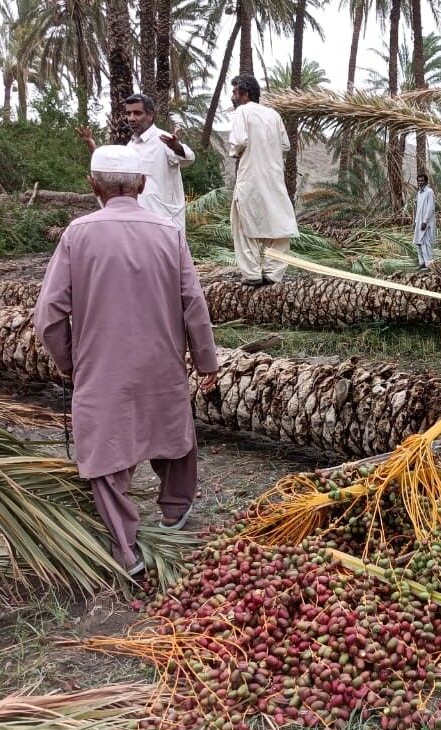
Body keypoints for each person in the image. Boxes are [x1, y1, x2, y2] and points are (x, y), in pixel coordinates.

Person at [33, 145, 219, 575]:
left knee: (107, 451)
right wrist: (205, 362)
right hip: (163, 360)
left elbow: (49, 315)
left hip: (101, 365)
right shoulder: (168, 232)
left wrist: (70, 362)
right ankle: (174, 512)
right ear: (143, 183)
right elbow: (193, 303)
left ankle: (126, 548)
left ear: (92, 184)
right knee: (174, 433)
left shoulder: (77, 234)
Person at [76, 93, 195, 230]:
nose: (132, 118)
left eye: (137, 113)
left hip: (164, 223)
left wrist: (177, 147)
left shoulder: (163, 139)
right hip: (136, 223)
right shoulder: (131, 146)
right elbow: (111, 167)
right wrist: (91, 145)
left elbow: (189, 158)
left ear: (150, 115)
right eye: (129, 114)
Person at [227, 74, 299, 286]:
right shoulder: (273, 114)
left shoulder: (242, 111)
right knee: (278, 225)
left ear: (245, 94)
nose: (232, 97)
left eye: (234, 93)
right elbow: (285, 146)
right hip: (274, 178)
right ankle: (273, 273)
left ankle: (251, 274)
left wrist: (236, 151)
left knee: (242, 225)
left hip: (250, 177)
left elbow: (239, 142)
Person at [412, 173, 436, 270]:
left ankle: (429, 264)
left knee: (426, 243)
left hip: (426, 223)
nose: (420, 182)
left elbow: (431, 208)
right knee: (418, 243)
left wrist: (425, 221)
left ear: (426, 181)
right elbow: (418, 209)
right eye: (419, 181)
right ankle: (422, 262)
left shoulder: (429, 192)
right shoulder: (419, 193)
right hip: (419, 222)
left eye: (422, 180)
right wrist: (416, 221)